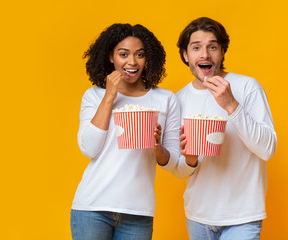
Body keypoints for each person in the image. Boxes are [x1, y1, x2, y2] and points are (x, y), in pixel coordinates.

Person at [70, 23, 180, 240]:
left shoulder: (166, 99)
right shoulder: (93, 96)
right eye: (123, 54)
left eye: (140, 54)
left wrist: (157, 148)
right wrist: (109, 97)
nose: (132, 62)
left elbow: (174, 160)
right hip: (92, 208)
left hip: (138, 213)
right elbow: (89, 148)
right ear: (111, 57)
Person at [173, 17, 277, 240]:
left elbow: (267, 149)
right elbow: (180, 170)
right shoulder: (178, 99)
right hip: (197, 216)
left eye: (212, 47)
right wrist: (190, 159)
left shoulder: (247, 87)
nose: (205, 55)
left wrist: (231, 104)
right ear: (185, 55)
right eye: (196, 47)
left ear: (222, 52)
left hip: (243, 217)